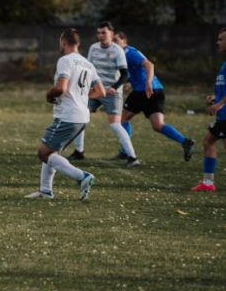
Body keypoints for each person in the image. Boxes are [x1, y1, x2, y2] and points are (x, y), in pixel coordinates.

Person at [25, 29, 104, 201]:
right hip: (82, 116)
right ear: (78, 44)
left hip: (68, 116)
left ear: (63, 42)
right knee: (52, 151)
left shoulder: (65, 60)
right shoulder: (87, 63)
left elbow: (61, 87)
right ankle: (45, 190)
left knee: (43, 152)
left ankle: (81, 176)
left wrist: (49, 95)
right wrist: (81, 97)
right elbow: (100, 91)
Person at [113, 31, 195, 161]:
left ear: (124, 41)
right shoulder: (125, 54)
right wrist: (131, 82)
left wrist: (147, 83)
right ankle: (185, 141)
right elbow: (135, 71)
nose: (114, 43)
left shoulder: (128, 52)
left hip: (144, 90)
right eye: (112, 41)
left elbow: (149, 64)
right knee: (158, 125)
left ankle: (125, 151)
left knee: (122, 119)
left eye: (116, 40)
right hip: (158, 90)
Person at [69, 22, 139, 167]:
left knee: (115, 125)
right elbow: (88, 68)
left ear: (111, 34)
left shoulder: (118, 50)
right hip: (96, 90)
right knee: (79, 117)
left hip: (112, 93)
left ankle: (132, 157)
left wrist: (115, 87)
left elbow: (125, 74)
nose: (100, 35)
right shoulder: (93, 48)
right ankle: (79, 151)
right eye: (99, 33)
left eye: (103, 33)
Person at [191, 28, 226, 192]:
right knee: (209, 141)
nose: (218, 42)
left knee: (208, 141)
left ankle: (207, 182)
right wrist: (216, 98)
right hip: (223, 115)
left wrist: (219, 105)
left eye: (221, 39)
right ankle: (207, 182)